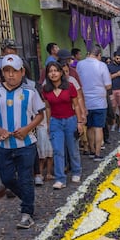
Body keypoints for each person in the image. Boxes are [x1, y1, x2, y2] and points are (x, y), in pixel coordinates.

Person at [0, 54, 44, 229]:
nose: (11, 75)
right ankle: (27, 199)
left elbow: (40, 114)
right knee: (7, 178)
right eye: (6, 71)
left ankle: (27, 213)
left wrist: (26, 129)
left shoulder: (30, 92)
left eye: (14, 71)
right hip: (4, 145)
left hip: (26, 144)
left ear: (22, 72)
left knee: (25, 178)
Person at [40, 60, 84, 191]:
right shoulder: (46, 90)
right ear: (47, 74)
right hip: (55, 122)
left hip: (70, 120)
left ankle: (76, 171)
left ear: (60, 72)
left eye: (55, 71)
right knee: (58, 151)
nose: (53, 74)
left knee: (73, 149)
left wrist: (80, 122)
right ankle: (60, 179)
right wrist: (48, 123)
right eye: (50, 71)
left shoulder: (69, 86)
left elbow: (76, 104)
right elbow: (47, 108)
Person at [76, 45, 111, 162]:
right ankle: (97, 153)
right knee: (98, 128)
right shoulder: (102, 65)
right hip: (99, 101)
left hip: (85, 101)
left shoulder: (80, 64)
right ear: (99, 55)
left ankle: (91, 150)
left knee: (89, 127)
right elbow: (108, 85)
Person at [107, 52, 120, 133]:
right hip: (112, 90)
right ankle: (113, 124)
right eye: (117, 58)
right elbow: (107, 78)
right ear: (114, 58)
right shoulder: (109, 67)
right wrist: (117, 74)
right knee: (113, 108)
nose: (119, 60)